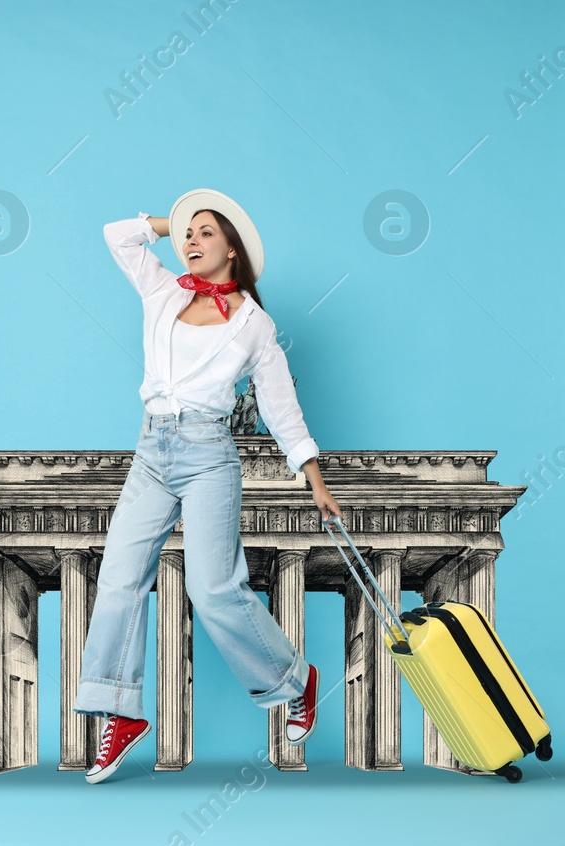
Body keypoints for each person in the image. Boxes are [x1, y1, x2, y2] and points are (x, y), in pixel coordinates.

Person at [73, 189, 341, 783]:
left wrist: (313, 476)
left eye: (205, 234)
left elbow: (280, 406)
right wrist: (175, 220)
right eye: (187, 235)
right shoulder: (162, 289)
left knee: (214, 587)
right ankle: (120, 712)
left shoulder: (253, 323)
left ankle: (295, 680)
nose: (190, 242)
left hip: (207, 455)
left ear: (233, 252)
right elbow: (116, 232)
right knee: (118, 576)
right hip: (150, 450)